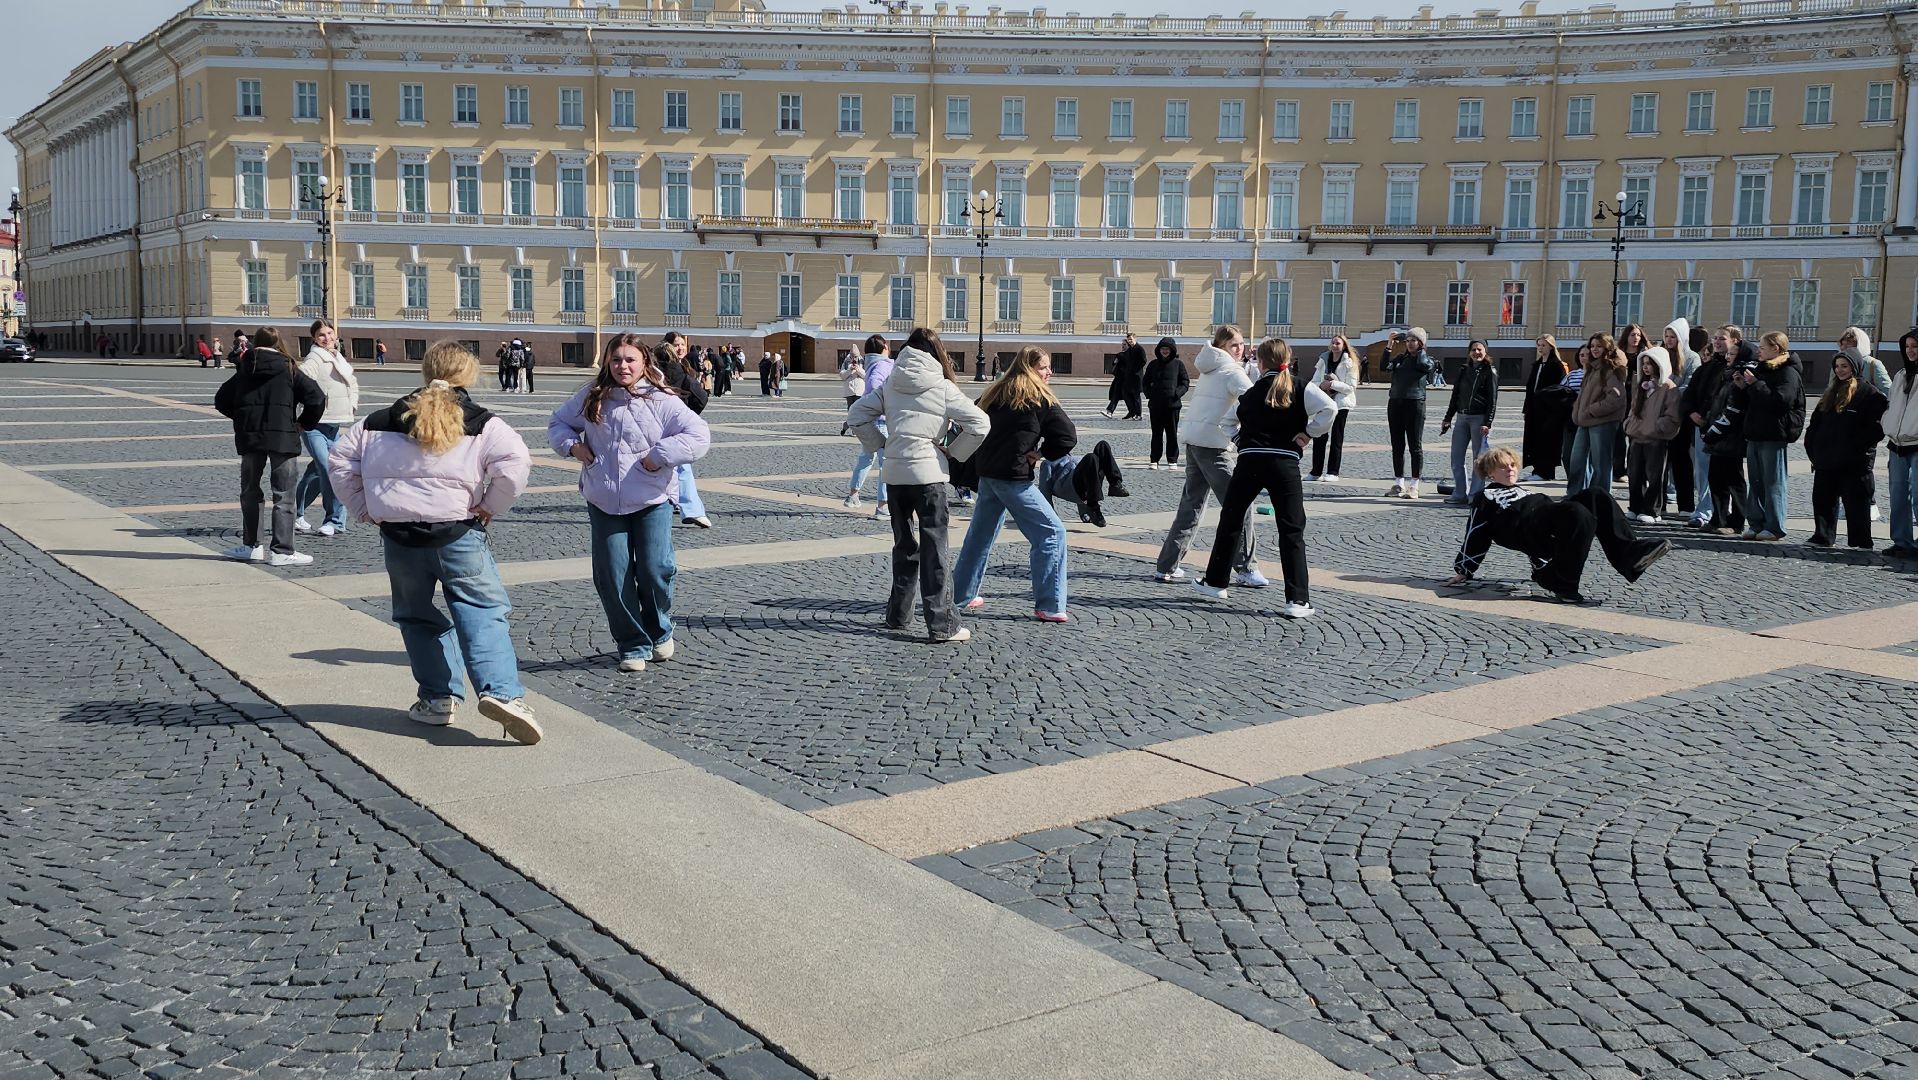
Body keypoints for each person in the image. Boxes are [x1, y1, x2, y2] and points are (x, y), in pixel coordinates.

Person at [328, 341, 542, 744]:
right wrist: (488, 506)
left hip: (399, 535)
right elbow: (516, 465)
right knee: (482, 611)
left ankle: (437, 699)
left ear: (426, 371)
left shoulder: (379, 420)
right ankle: (502, 694)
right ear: (470, 374)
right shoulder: (481, 421)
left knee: (416, 617)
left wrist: (363, 507)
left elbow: (339, 460)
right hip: (458, 532)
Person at [549, 333, 711, 672]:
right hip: (604, 497)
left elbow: (698, 436)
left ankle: (659, 628)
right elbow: (559, 423)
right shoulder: (594, 396)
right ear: (608, 362)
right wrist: (574, 448)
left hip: (651, 497)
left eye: (630, 359)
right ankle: (632, 643)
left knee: (655, 569)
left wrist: (660, 456)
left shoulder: (662, 400)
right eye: (616, 359)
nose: (623, 366)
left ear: (644, 363)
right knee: (612, 572)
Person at [847, 327, 990, 643]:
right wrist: (953, 453)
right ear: (935, 353)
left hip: (896, 478)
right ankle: (942, 625)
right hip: (928, 476)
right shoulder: (941, 386)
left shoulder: (890, 385)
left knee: (903, 547)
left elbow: (856, 414)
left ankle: (898, 616)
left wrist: (883, 445)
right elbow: (981, 423)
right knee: (935, 551)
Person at [1191, 338, 1336, 618]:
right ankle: (1297, 599)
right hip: (1284, 463)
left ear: (1261, 361)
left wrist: (1240, 441)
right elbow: (1329, 408)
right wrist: (1308, 433)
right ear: (1288, 359)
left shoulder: (1253, 390)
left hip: (1250, 461)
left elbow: (1227, 421)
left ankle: (1215, 581)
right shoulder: (1300, 386)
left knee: (1231, 520)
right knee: (1291, 530)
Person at [1445, 446, 1672, 605]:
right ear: (1490, 472)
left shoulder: (1526, 489)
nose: (1511, 469)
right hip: (1527, 525)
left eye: (1513, 465)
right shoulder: (1486, 496)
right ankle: (1563, 583)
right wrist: (1464, 569)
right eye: (1504, 467)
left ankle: (1629, 555)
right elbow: (1476, 532)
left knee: (1597, 495)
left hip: (1549, 517)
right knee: (1577, 513)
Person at [951, 347, 1077, 623]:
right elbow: (1067, 436)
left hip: (986, 474)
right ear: (1032, 368)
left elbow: (969, 420)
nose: (1049, 372)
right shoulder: (1039, 397)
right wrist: (1041, 454)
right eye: (1045, 367)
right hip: (1013, 478)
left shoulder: (994, 392)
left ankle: (960, 595)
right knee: (1052, 533)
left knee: (979, 537)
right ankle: (1050, 604)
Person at [1154, 325, 1268, 586]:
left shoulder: (1209, 368)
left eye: (1241, 344)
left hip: (1195, 441)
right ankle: (1247, 567)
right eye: (1234, 345)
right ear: (1222, 347)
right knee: (1241, 504)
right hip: (1214, 446)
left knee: (1191, 505)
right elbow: (1255, 399)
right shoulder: (1231, 371)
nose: (1239, 349)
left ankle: (1167, 565)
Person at [212, 326, 325, 567]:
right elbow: (316, 398)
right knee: (284, 494)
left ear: (255, 343)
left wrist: (243, 418)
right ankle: (282, 551)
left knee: (250, 491)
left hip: (251, 438)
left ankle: (251, 546)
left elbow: (221, 400)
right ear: (278, 343)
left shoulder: (245, 367)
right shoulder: (288, 368)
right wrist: (303, 424)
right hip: (283, 437)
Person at [1806, 354, 1888, 549]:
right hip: (1826, 459)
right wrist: (1814, 449)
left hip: (1854, 461)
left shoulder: (1869, 393)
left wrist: (1855, 447)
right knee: (1823, 499)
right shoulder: (1830, 391)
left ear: (1855, 367)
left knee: (1857, 503)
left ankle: (1860, 542)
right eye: (1837, 366)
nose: (1839, 370)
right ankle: (1823, 536)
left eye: (1844, 366)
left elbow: (1875, 430)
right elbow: (1816, 424)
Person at [1734, 330, 1805, 541]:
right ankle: (1756, 523)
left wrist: (1756, 384)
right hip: (1755, 432)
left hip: (1774, 433)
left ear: (1776, 348)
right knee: (1756, 481)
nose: (1759, 350)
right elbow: (1752, 401)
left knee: (1772, 482)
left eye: (1763, 347)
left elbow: (1781, 401)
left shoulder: (1788, 372)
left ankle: (1774, 526)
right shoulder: (1763, 369)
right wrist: (1742, 387)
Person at [294, 318, 360, 537]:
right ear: (314, 338)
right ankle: (334, 521)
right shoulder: (315, 357)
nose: (327, 338)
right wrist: (308, 410)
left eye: (330, 333)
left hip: (335, 423)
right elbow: (300, 381)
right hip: (315, 424)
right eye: (322, 335)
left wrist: (353, 403)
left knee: (315, 472)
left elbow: (352, 382)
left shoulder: (337, 355)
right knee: (329, 469)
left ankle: (297, 512)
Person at [652, 331, 714, 529]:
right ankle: (691, 509)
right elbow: (700, 397)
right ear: (669, 348)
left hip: (655, 423)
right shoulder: (677, 369)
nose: (680, 348)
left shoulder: (653, 369)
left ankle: (675, 502)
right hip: (674, 424)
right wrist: (690, 415)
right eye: (676, 345)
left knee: (668, 463)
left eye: (682, 344)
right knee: (681, 465)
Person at [1835, 327, 1890, 523]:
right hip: (1843, 423)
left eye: (1849, 343)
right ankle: (1846, 503)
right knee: (1843, 465)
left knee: (1864, 467)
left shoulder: (1873, 364)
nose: (1844, 346)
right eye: (1842, 343)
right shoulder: (1839, 364)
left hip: (1866, 422)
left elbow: (1887, 391)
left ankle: (1870, 504)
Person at [1623, 345, 1681, 522]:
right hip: (1637, 436)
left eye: (1650, 363)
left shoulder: (1669, 387)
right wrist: (1629, 424)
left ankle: (1652, 510)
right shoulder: (1641, 385)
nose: (1645, 367)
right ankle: (1635, 506)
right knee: (1634, 475)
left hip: (1655, 438)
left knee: (1654, 476)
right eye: (1644, 363)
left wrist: (1658, 427)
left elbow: (1673, 415)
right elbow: (1633, 409)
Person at [1566, 333, 1627, 496]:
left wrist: (1592, 410)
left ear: (1607, 348)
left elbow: (1616, 399)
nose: (1594, 349)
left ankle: (1600, 497)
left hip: (1602, 422)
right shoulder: (1592, 369)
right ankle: (1574, 495)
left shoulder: (1612, 370)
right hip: (1584, 421)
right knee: (1576, 461)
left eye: (1599, 346)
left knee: (1601, 464)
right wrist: (1577, 410)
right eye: (1592, 346)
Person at [1440, 340, 1499, 505]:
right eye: (1473, 350)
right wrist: (1448, 417)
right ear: (1469, 353)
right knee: (1456, 458)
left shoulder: (1490, 371)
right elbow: (1455, 395)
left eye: (1479, 349)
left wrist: (1488, 422)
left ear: (1485, 352)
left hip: (1479, 419)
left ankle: (1475, 495)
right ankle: (1459, 494)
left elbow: (1492, 400)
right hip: (1461, 417)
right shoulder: (1464, 370)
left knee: (1478, 459)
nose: (1476, 352)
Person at [1382, 326, 1435, 499]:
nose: (1410, 344)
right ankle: (1399, 483)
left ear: (1420, 343)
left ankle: (1414, 485)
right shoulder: (1400, 358)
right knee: (1397, 445)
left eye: (1414, 341)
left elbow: (1423, 365)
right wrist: (1389, 345)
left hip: (1415, 404)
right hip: (1395, 403)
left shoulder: (1426, 359)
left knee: (1415, 446)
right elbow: (1384, 367)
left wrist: (1421, 349)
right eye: (1408, 341)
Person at [844, 335, 894, 517]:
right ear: (884, 347)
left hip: (870, 419)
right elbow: (874, 386)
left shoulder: (873, 363)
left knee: (866, 458)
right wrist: (883, 403)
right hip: (880, 421)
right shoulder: (883, 365)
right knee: (886, 464)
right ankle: (882, 505)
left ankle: (853, 495)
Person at [1659, 320, 1700, 518]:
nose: (1669, 340)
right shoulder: (1661, 354)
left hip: (1680, 416)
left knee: (1681, 459)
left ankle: (1686, 505)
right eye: (1667, 336)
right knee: (1659, 461)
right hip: (1659, 414)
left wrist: (1670, 394)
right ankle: (1658, 504)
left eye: (1673, 336)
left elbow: (1691, 385)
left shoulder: (1692, 357)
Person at [1037, 440, 1130, 527]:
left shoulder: (1072, 457)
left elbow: (1084, 475)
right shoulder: (1048, 463)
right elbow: (1044, 490)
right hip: (1069, 485)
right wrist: (1050, 517)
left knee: (1102, 445)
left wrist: (1083, 513)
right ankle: (1093, 507)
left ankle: (1115, 484)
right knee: (1091, 458)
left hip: (1087, 483)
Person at [1307, 334, 1358, 482]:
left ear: (1344, 346)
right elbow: (1314, 380)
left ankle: (1333, 472)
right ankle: (1315, 472)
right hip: (1323, 402)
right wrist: (1320, 385)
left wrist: (1333, 384)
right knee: (1319, 436)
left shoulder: (1349, 362)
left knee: (1337, 437)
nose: (1335, 345)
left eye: (1338, 343)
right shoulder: (1323, 359)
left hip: (1341, 404)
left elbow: (1351, 387)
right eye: (1333, 343)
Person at [1886, 330, 1918, 560]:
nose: (1910, 350)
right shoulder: (1900, 375)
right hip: (1896, 442)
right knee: (1897, 493)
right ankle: (1902, 541)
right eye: (1907, 346)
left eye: (1915, 346)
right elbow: (1892, 404)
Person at [1520, 335, 1568, 482]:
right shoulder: (1537, 365)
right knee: (1534, 440)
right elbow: (1530, 388)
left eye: (1544, 345)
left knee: (1547, 442)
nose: (1541, 348)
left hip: (1549, 412)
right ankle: (1537, 470)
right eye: (1539, 345)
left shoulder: (1557, 365)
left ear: (1551, 347)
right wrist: (1526, 408)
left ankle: (1546, 472)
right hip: (1534, 410)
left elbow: (1559, 389)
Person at [1142, 337, 1190, 468]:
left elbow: (1185, 382)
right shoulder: (1153, 364)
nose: (1164, 351)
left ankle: (1172, 459)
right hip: (1156, 405)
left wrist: (1176, 393)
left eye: (1167, 349)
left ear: (1172, 350)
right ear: (1159, 350)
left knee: (1172, 433)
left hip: (1172, 405)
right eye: (1162, 349)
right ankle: (1154, 459)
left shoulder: (1178, 364)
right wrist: (1150, 394)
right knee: (1156, 434)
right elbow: (1145, 382)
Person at [1105, 333, 1146, 419]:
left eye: (1131, 339)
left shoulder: (1139, 349)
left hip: (1136, 376)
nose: (1130, 341)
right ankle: (1132, 412)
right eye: (1128, 340)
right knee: (1126, 394)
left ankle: (1138, 414)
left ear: (1135, 339)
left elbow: (1143, 361)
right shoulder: (1130, 349)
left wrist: (1135, 369)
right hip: (1129, 376)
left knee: (1136, 396)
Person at [839, 352, 867, 436]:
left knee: (858, 412)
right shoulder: (846, 363)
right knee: (851, 412)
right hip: (849, 391)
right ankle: (846, 426)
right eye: (853, 356)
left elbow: (865, 375)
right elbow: (842, 376)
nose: (854, 358)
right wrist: (849, 369)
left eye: (855, 357)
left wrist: (858, 369)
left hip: (859, 391)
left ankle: (853, 429)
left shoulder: (862, 362)